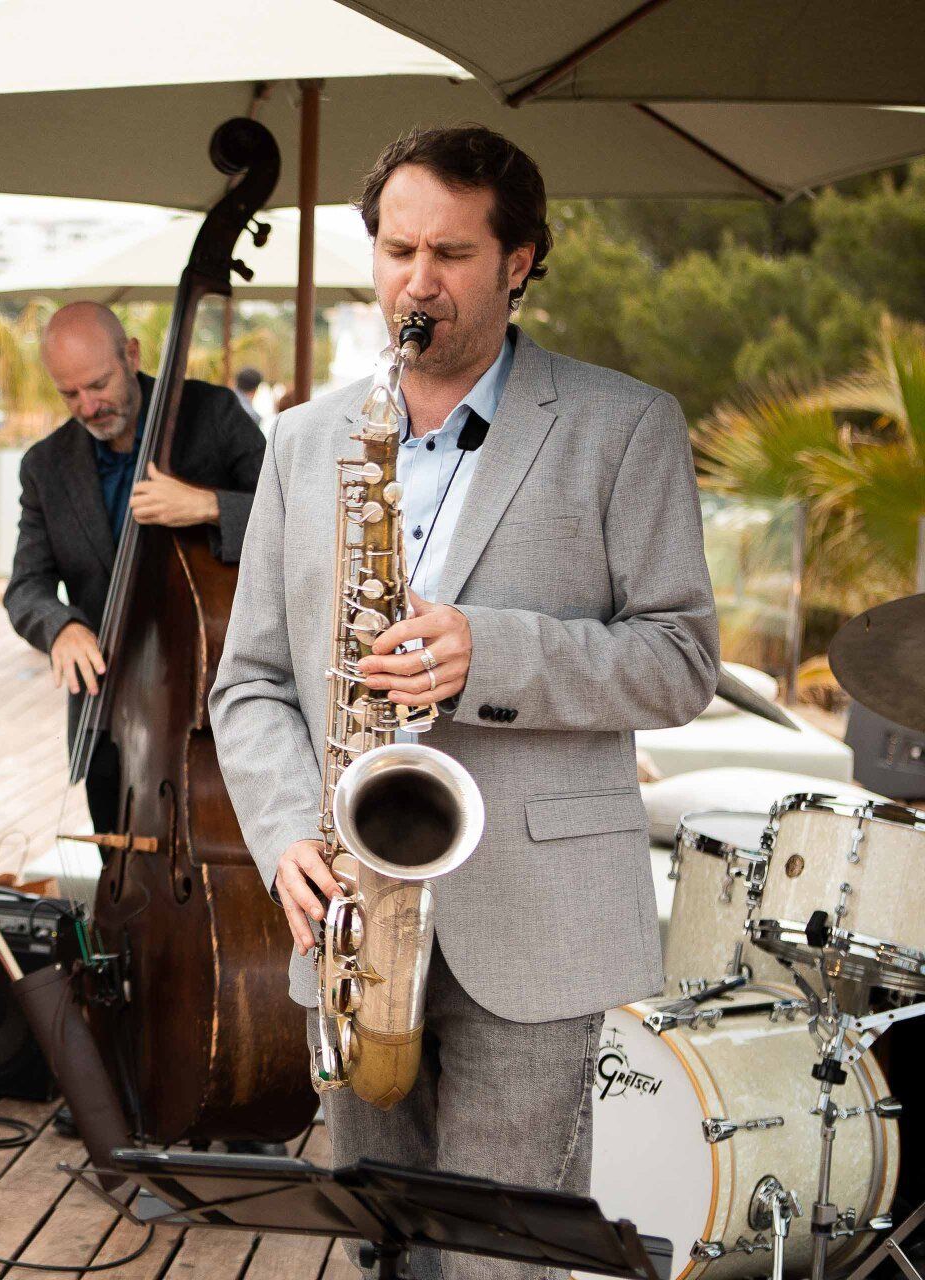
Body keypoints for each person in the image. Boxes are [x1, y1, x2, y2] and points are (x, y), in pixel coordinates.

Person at [209, 125, 717, 1280]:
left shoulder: (625, 425)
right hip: (352, 911)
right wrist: (286, 834)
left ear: (518, 260)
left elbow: (682, 658)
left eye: (451, 253)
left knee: (500, 1261)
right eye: (397, 251)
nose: (417, 282)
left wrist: (490, 651)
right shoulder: (307, 439)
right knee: (378, 1244)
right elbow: (251, 680)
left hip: (538, 920)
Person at [4, 301, 265, 832]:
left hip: (216, 702)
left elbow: (297, 517)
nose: (88, 406)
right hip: (108, 717)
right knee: (116, 857)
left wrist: (210, 506)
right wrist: (60, 626)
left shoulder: (213, 414)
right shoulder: (45, 466)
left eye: (98, 384)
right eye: (69, 394)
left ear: (131, 355)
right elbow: (25, 587)